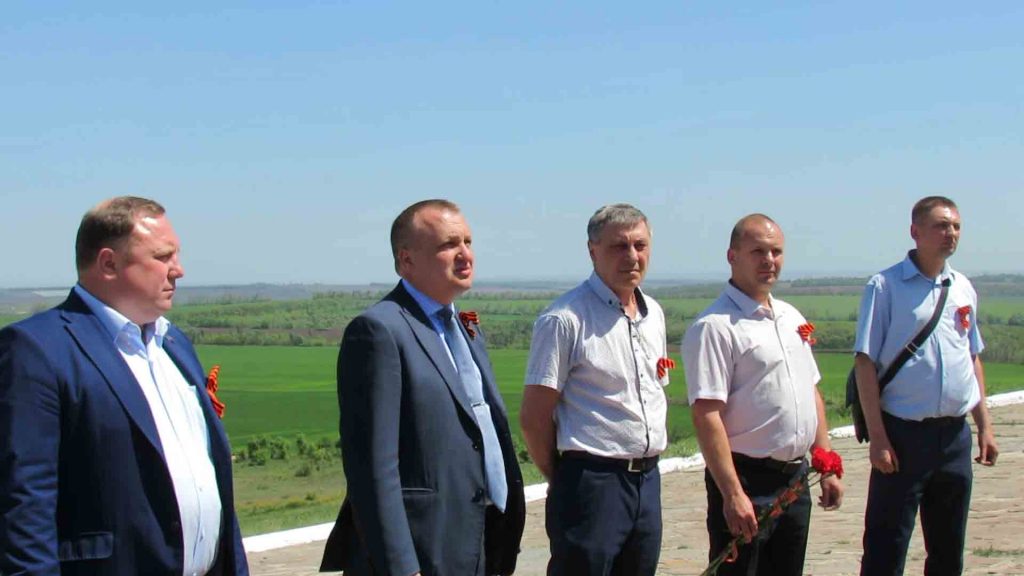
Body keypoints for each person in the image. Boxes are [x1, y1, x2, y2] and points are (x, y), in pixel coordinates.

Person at [0, 197, 249, 575]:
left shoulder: (174, 344)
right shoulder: (37, 350)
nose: (178, 270)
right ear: (109, 264)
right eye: (162, 257)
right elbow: (24, 503)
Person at [319, 199, 526, 576]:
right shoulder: (379, 331)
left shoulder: (467, 328)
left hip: (481, 539)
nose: (465, 255)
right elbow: (372, 466)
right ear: (406, 260)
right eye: (449, 244)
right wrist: (401, 566)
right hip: (424, 548)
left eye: (468, 242)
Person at [682, 213, 843, 576]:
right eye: (758, 251)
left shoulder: (790, 317)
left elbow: (810, 390)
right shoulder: (715, 327)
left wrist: (825, 461)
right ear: (732, 256)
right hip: (747, 480)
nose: (769, 260)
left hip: (794, 479)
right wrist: (732, 493)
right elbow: (707, 415)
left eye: (776, 252)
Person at [521, 203, 670, 576]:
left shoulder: (653, 314)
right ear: (592, 251)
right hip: (592, 483)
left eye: (640, 245)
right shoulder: (564, 320)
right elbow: (534, 418)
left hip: (647, 481)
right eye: (619, 246)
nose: (632, 256)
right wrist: (564, 477)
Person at [854, 196, 998, 575]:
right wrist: (878, 438)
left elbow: (971, 357)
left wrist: (984, 426)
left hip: (954, 437)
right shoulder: (885, 286)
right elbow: (865, 363)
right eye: (941, 226)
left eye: (956, 226)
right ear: (915, 232)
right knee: (886, 546)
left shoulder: (962, 287)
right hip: (903, 436)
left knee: (948, 550)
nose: (951, 233)